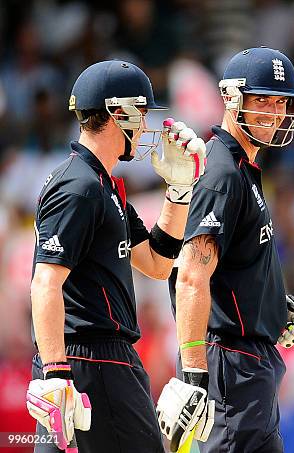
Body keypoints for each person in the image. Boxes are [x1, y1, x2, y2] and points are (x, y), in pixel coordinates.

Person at [26, 60, 206, 453]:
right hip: (92, 361)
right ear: (118, 112)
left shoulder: (102, 186)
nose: (144, 127)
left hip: (92, 360)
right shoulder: (81, 186)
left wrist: (179, 191)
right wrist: (57, 372)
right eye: (141, 115)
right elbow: (45, 282)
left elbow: (158, 262)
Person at [155, 47, 294, 453]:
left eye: (281, 101)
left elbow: (232, 267)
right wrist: (192, 373)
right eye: (262, 99)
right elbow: (191, 273)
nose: (274, 112)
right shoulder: (223, 172)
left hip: (248, 368)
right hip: (229, 367)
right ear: (230, 98)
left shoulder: (242, 169)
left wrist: (272, 305)